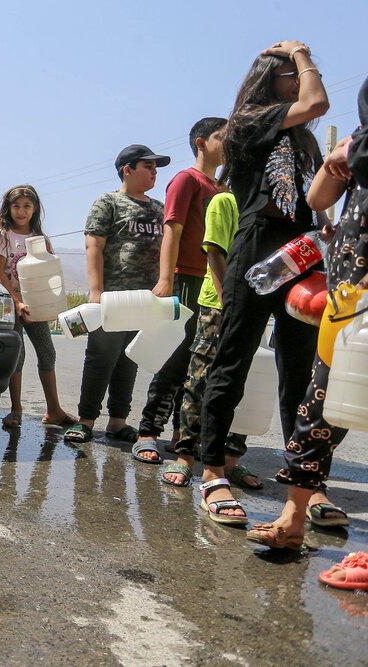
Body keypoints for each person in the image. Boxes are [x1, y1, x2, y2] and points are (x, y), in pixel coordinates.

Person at [196, 40, 335, 527]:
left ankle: (307, 486)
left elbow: (317, 193)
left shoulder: (306, 140)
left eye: (298, 73)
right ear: (268, 79)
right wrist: (302, 53)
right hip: (257, 248)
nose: (298, 81)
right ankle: (213, 472)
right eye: (289, 75)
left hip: (302, 252)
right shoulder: (250, 121)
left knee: (301, 374)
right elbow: (317, 101)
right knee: (231, 361)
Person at [246, 76, 368, 549]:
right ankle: (295, 515)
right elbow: (317, 200)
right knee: (322, 398)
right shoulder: (359, 147)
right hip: (349, 291)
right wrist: (340, 159)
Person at [133, 118, 227, 461]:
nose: (228, 141)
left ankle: (181, 434)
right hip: (185, 278)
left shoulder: (221, 187)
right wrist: (165, 280)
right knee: (175, 357)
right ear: (201, 143)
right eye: (222, 136)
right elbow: (172, 231)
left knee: (199, 364)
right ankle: (147, 432)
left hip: (211, 284)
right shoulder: (187, 180)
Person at [64, 145, 168, 445]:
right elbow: (93, 246)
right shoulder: (108, 202)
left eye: (155, 167)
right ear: (128, 169)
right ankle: (86, 420)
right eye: (148, 166)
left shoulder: (159, 208)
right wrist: (96, 291)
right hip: (112, 296)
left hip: (145, 298)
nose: (154, 171)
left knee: (129, 358)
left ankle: (118, 422)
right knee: (101, 357)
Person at [160, 192, 260, 489]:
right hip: (219, 306)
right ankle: (186, 456)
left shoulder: (266, 207)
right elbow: (215, 253)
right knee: (200, 380)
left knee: (242, 385)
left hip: (255, 307)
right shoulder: (226, 201)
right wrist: (230, 303)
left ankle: (231, 460)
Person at [0, 184, 75, 428]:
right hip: (11, 306)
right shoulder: (3, 235)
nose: (21, 211)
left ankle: (54, 410)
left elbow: (50, 275)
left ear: (35, 209)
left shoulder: (40, 240)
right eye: (16, 206)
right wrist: (17, 302)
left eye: (27, 206)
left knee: (47, 353)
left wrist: (51, 304)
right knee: (18, 356)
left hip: (36, 306)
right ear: (8, 208)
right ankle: (16, 409)